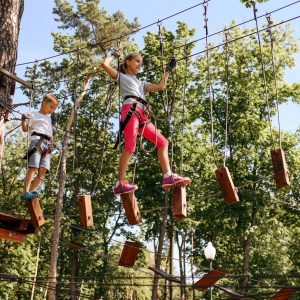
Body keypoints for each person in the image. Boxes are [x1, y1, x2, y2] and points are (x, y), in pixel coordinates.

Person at [101, 50, 190, 195]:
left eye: (141, 64)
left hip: (142, 113)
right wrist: (113, 56)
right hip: (131, 110)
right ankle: (120, 183)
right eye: (137, 61)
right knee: (130, 146)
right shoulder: (122, 77)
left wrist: (167, 70)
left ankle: (167, 176)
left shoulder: (141, 83)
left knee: (163, 142)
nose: (139, 65)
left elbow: (160, 87)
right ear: (127, 62)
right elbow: (104, 65)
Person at [20, 93, 59, 200]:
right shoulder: (33, 114)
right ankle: (26, 192)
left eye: (54, 109)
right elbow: (25, 129)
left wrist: (53, 142)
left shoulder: (49, 119)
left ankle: (32, 192)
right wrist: (23, 120)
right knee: (34, 167)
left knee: (43, 170)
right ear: (43, 103)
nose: (52, 110)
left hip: (48, 144)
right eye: (51, 107)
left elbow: (49, 132)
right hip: (37, 142)